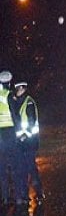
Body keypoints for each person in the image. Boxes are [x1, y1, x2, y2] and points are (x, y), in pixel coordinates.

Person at [10, 81, 43, 204]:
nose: (16, 92)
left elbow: (31, 122)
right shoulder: (19, 102)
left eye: (18, 89)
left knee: (30, 167)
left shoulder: (28, 102)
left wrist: (24, 136)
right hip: (22, 143)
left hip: (30, 141)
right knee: (22, 168)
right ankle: (24, 195)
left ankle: (39, 193)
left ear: (23, 89)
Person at [0, 71, 16, 205]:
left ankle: (4, 196)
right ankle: (15, 195)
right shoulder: (9, 95)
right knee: (13, 164)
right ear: (9, 83)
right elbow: (14, 115)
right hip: (9, 132)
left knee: (2, 165)